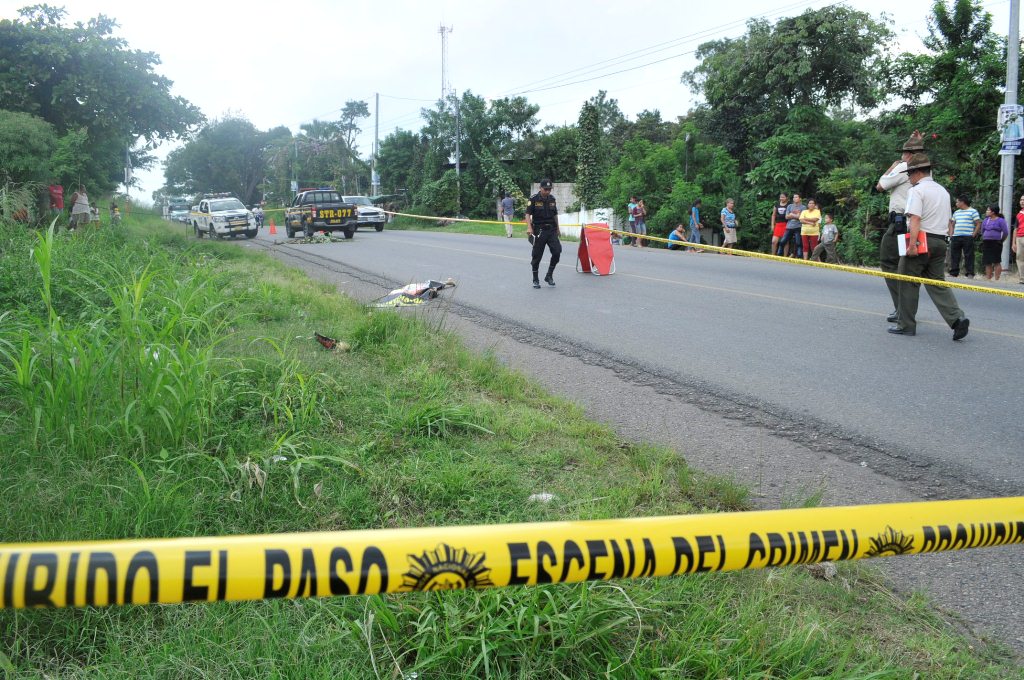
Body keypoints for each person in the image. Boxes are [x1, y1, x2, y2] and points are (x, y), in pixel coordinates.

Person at [888, 153, 969, 340]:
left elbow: (915, 218)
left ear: (917, 173)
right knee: (937, 283)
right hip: (940, 241)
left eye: (909, 174)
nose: (908, 177)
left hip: (922, 239)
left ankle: (906, 325)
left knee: (907, 281)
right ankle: (957, 319)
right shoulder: (943, 191)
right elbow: (950, 222)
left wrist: (913, 244)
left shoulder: (916, 191)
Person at [877, 131, 924, 323]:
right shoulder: (925, 169)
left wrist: (891, 167)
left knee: (889, 262)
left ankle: (902, 309)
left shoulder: (904, 166)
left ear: (908, 154)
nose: (902, 156)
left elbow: (880, 186)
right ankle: (907, 309)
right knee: (908, 267)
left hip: (900, 225)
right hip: (916, 223)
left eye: (904, 153)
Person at [526, 178, 561, 289]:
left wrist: (558, 228)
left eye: (549, 189)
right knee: (537, 256)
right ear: (540, 188)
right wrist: (529, 227)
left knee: (557, 251)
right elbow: (527, 214)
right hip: (539, 231)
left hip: (551, 230)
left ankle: (549, 275)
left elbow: (555, 214)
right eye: (545, 189)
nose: (547, 191)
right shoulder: (534, 199)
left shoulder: (552, 199)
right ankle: (535, 279)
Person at [947, 196, 981, 278]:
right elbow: (952, 224)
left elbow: (978, 223)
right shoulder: (956, 212)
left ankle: (970, 273)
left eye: (957, 202)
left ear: (962, 202)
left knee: (968, 255)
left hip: (968, 236)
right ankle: (954, 272)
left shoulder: (973, 211)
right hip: (956, 236)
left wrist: (973, 234)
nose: (956, 203)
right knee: (955, 255)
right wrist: (951, 234)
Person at [979, 204, 1009, 281]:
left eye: (988, 210)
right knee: (987, 261)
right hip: (986, 242)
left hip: (996, 243)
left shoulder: (1000, 220)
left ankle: (997, 279)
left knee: (996, 261)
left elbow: (1005, 232)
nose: (987, 211)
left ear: (993, 212)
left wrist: (1001, 240)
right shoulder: (986, 220)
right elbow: (982, 231)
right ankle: (988, 278)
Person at [778, 193, 804, 258]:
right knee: (782, 241)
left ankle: (799, 256)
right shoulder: (790, 206)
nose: (794, 198)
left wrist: (792, 215)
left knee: (798, 243)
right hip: (789, 226)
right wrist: (796, 215)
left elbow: (801, 217)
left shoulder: (803, 207)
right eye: (793, 197)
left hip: (798, 227)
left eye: (796, 197)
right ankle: (779, 255)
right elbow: (786, 217)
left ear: (800, 198)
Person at [770, 192, 789, 257]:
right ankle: (773, 255)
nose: (781, 198)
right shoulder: (776, 204)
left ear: (786, 198)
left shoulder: (789, 205)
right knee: (774, 241)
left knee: (785, 241)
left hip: (786, 224)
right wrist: (772, 225)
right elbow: (773, 215)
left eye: (783, 197)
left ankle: (785, 257)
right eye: (780, 197)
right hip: (778, 224)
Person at [1014, 195, 1024, 285]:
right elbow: (1015, 228)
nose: (1022, 201)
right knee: (1019, 257)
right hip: (1019, 237)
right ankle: (1022, 279)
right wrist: (1013, 243)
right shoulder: (1019, 214)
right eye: (1021, 200)